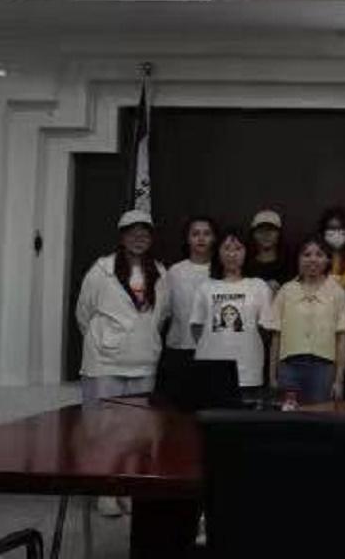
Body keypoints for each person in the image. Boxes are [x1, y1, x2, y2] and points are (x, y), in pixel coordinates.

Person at [75, 210, 169, 518]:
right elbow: (84, 313)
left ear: (151, 237)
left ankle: (128, 489)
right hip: (105, 363)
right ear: (121, 235)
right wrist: (106, 340)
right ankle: (105, 491)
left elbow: (161, 315)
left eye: (145, 231)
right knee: (102, 430)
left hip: (144, 362)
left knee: (137, 434)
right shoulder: (101, 270)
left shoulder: (160, 272)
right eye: (132, 231)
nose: (139, 236)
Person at [190, 228, 276, 389]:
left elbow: (266, 330)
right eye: (226, 248)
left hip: (248, 369)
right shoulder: (205, 287)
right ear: (218, 252)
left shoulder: (258, 286)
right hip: (210, 367)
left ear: (247, 252)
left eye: (238, 249)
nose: (232, 254)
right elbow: (197, 328)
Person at [268, 237, 345, 403]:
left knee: (320, 416)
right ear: (298, 259)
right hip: (289, 367)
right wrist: (272, 376)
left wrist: (339, 381)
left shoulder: (338, 293)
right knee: (289, 416)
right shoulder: (286, 291)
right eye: (306, 255)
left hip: (323, 369)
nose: (313, 259)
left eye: (319, 255)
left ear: (328, 260)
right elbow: (276, 336)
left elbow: (342, 339)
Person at [160, 215, 216, 388]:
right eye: (195, 234)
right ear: (187, 239)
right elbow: (164, 312)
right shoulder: (175, 271)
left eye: (206, 233)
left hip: (213, 350)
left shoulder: (220, 271)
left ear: (214, 238)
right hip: (180, 348)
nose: (201, 238)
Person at [244, 209, 289, 293]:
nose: (266, 235)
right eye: (261, 230)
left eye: (271, 230)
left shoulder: (290, 266)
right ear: (253, 234)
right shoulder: (245, 266)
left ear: (279, 233)